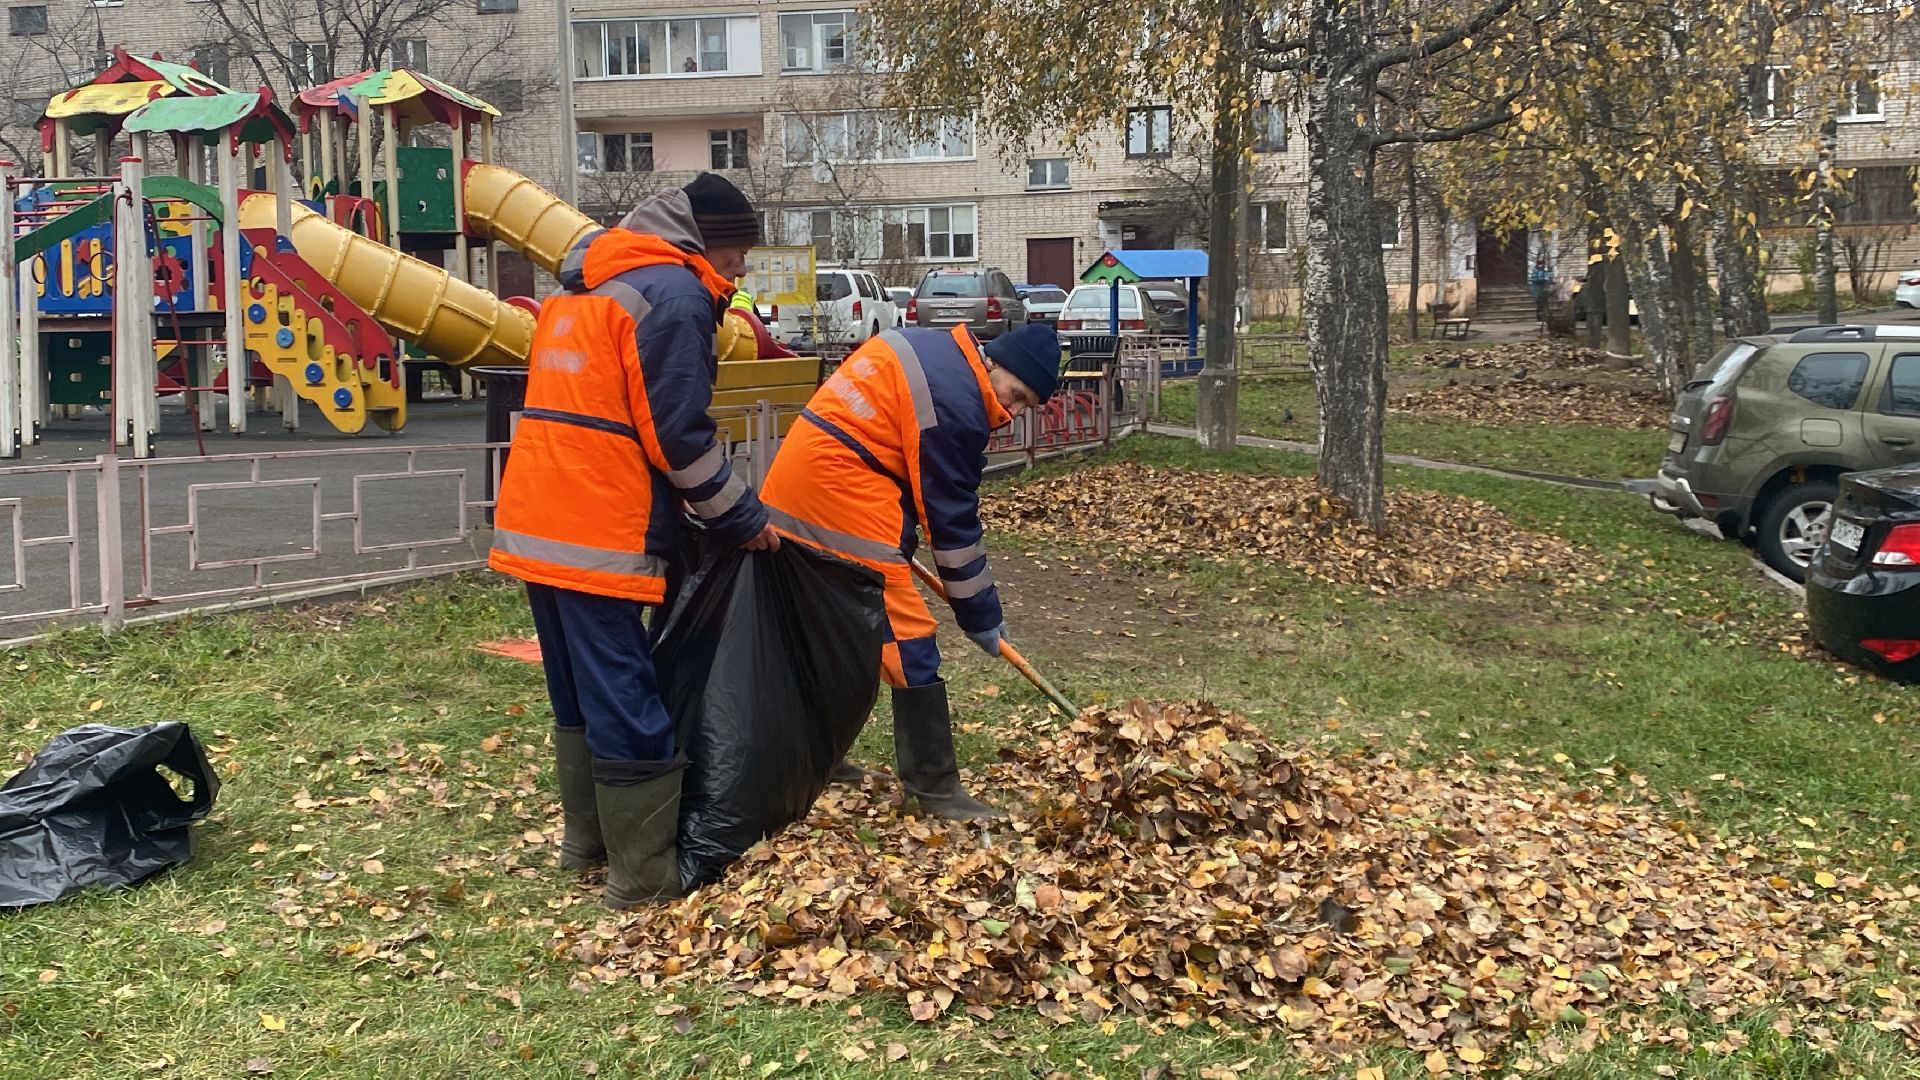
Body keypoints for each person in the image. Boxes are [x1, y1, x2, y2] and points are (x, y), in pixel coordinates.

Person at [489, 172, 780, 909]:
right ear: (708, 241)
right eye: (740, 252)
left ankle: (586, 843)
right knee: (623, 689)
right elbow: (677, 436)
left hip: (539, 515)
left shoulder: (586, 286)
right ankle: (642, 876)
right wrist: (742, 519)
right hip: (600, 525)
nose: (743, 270)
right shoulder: (674, 296)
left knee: (577, 685)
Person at [758, 322, 1061, 820]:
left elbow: (897, 459)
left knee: (834, 632)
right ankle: (936, 786)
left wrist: (897, 541)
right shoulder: (957, 403)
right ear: (998, 365)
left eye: (1026, 405)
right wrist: (979, 615)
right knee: (908, 636)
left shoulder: (936, 350)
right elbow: (952, 523)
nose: (1014, 410)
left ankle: (817, 757)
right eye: (1019, 395)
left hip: (810, 481)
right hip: (838, 493)